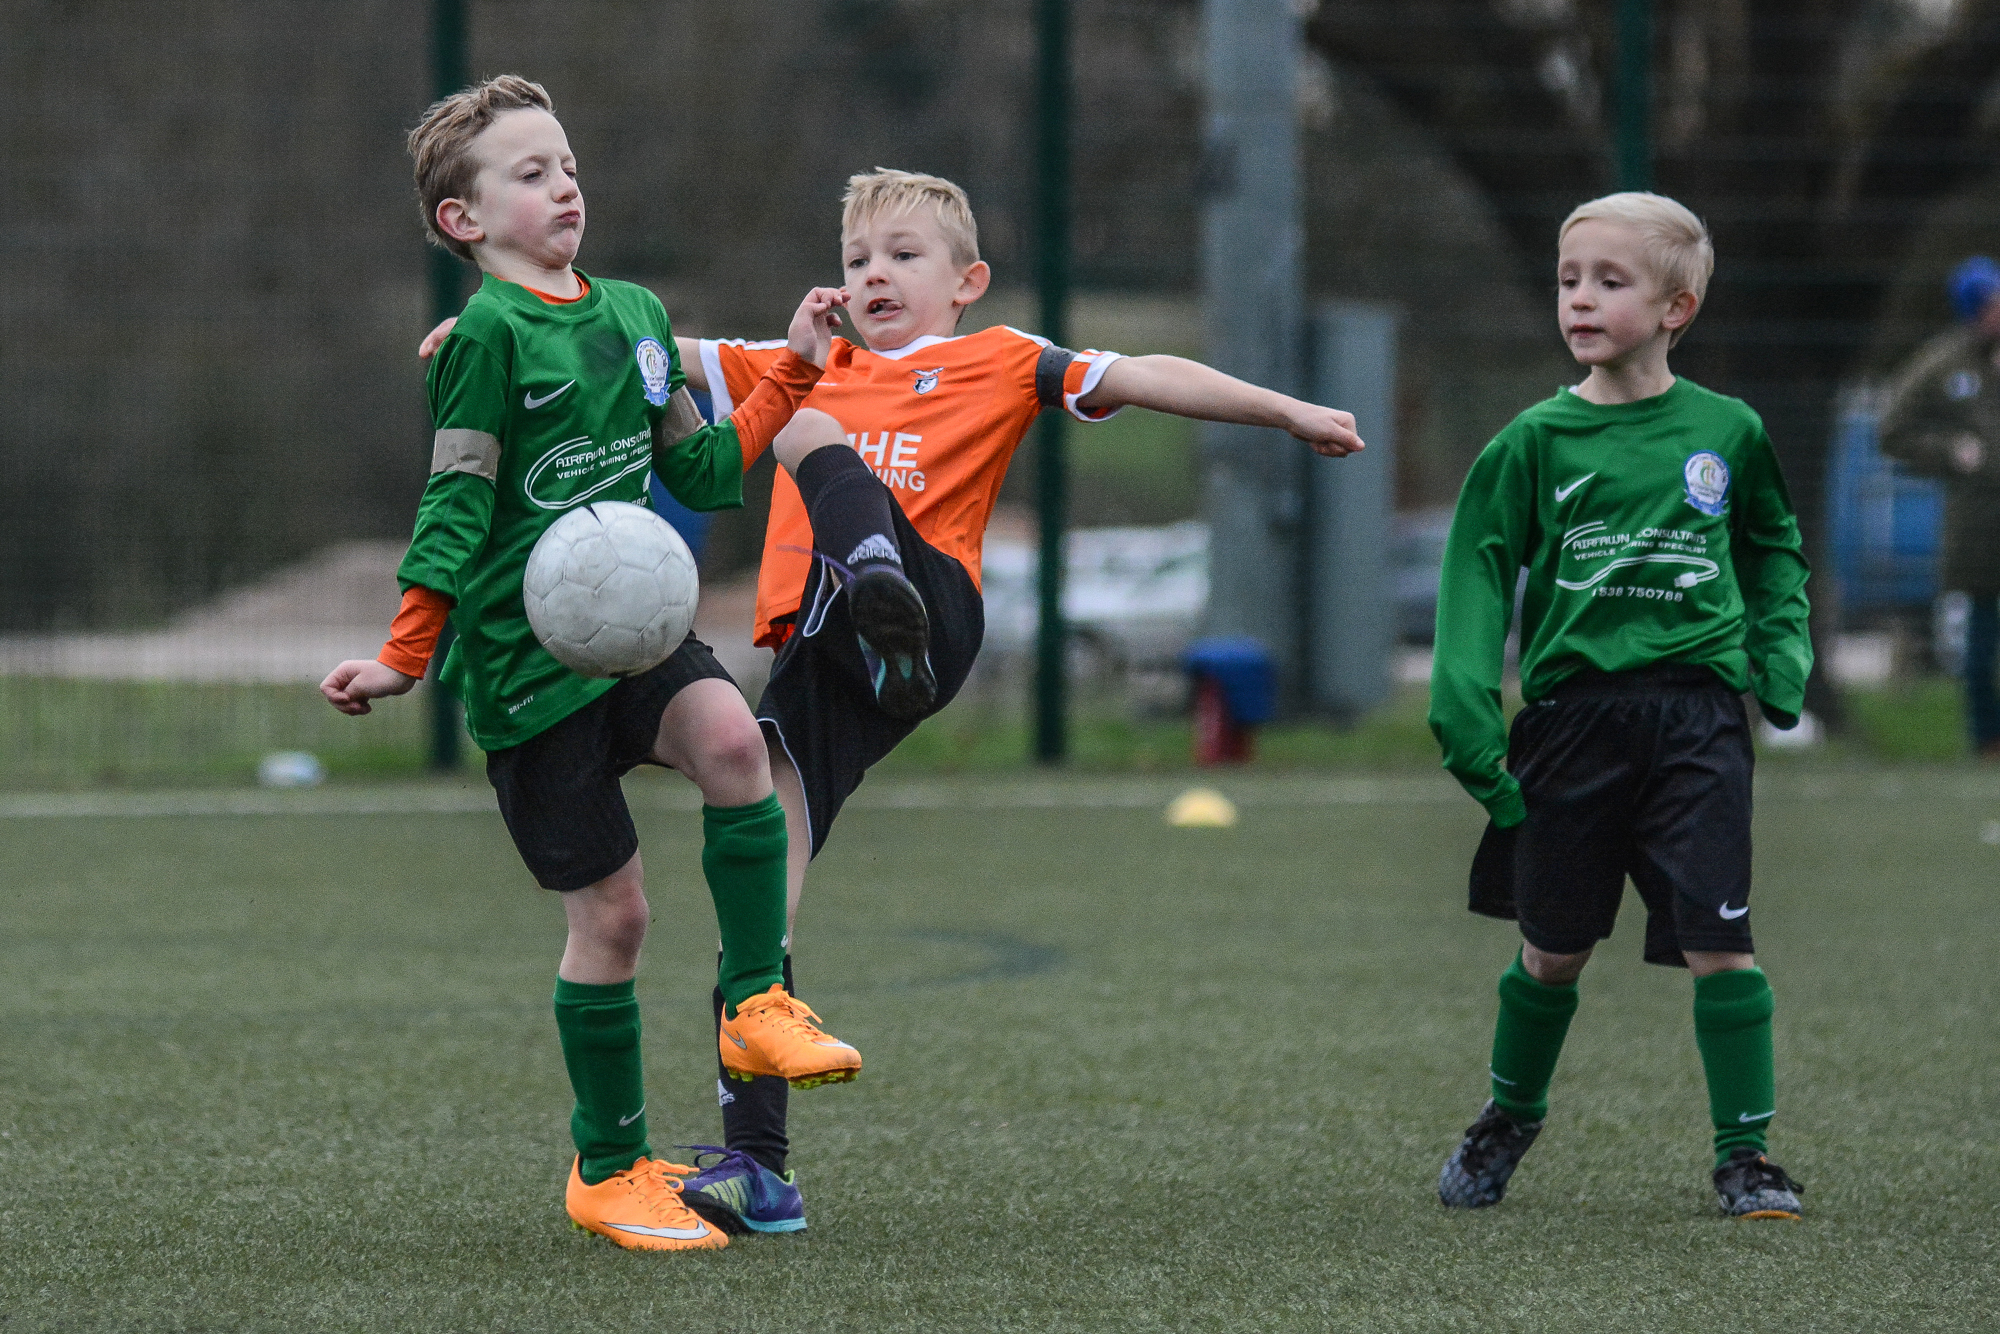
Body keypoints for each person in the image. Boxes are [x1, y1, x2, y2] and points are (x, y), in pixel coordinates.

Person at [421, 168, 1364, 1229]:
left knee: (801, 422)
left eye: (902, 256)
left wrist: (1284, 411)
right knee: (758, 915)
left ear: (967, 281)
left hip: (928, 607)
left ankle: (874, 572)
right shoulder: (809, 358)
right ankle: (760, 1170)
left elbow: (1142, 372)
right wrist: (486, 332)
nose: (874, 274)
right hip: (823, 661)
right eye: (857, 259)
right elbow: (606, 338)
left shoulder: (998, 360)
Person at [319, 75, 863, 1253]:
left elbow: (710, 473)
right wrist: (405, 655)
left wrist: (799, 366)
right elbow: (454, 507)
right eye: (529, 172)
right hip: (527, 672)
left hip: (640, 636)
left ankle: (756, 1003)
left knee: (734, 743)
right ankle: (609, 1167)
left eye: (566, 163)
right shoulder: (484, 338)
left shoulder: (633, 311)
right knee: (612, 919)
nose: (564, 183)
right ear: (463, 222)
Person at [1427, 192, 1814, 1219]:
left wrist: (1778, 650)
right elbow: (1475, 571)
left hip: (1694, 720)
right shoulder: (1531, 441)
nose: (1579, 300)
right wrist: (1462, 707)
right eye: (1566, 280)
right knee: (1552, 949)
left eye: (1608, 281)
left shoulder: (1726, 430)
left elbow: (1770, 543)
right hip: (1570, 726)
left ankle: (1745, 1157)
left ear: (1675, 305)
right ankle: (1508, 1114)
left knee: (1717, 938)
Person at [1878, 256, 2000, 757]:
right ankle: (1987, 739)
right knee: (1980, 639)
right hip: (1977, 524)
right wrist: (1952, 451)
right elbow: (1893, 430)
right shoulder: (1944, 363)